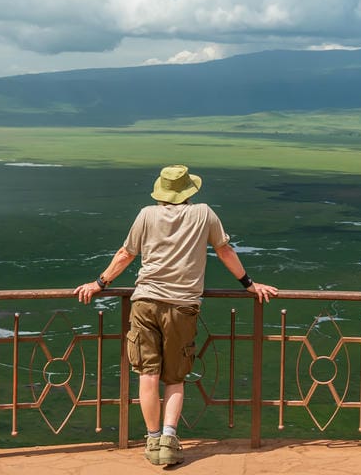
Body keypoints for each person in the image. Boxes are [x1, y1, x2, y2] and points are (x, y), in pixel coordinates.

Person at [74, 164, 279, 467]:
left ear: (161, 191)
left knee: (148, 374)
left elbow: (126, 254)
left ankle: (152, 438)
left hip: (144, 302)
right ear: (188, 191)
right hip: (183, 306)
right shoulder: (205, 214)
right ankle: (169, 440)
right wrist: (250, 284)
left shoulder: (146, 215)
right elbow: (224, 251)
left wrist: (100, 283)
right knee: (175, 377)